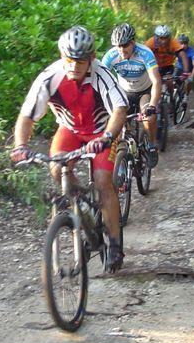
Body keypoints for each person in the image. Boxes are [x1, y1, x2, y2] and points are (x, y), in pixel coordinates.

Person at [10, 26, 128, 272]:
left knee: (103, 178)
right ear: (62, 57)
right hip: (70, 130)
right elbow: (27, 116)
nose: (74, 66)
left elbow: (119, 110)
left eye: (80, 61)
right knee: (56, 168)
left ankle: (115, 243)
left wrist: (107, 136)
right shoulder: (49, 77)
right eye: (69, 60)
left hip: (101, 130)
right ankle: (80, 203)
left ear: (92, 58)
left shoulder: (102, 75)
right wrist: (20, 146)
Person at [102, 23, 161, 168]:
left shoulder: (145, 53)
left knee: (150, 117)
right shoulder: (111, 56)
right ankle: (124, 154)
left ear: (133, 42)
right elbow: (101, 80)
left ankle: (152, 145)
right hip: (124, 92)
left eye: (125, 45)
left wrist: (152, 105)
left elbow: (157, 81)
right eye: (118, 46)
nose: (121, 49)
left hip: (144, 92)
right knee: (119, 124)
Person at [175, 33, 194, 105]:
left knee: (188, 82)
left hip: (189, 70)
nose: (183, 45)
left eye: (185, 43)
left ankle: (186, 95)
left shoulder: (192, 52)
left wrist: (192, 76)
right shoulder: (177, 49)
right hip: (179, 68)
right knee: (173, 81)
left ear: (187, 44)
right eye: (181, 43)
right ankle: (174, 96)